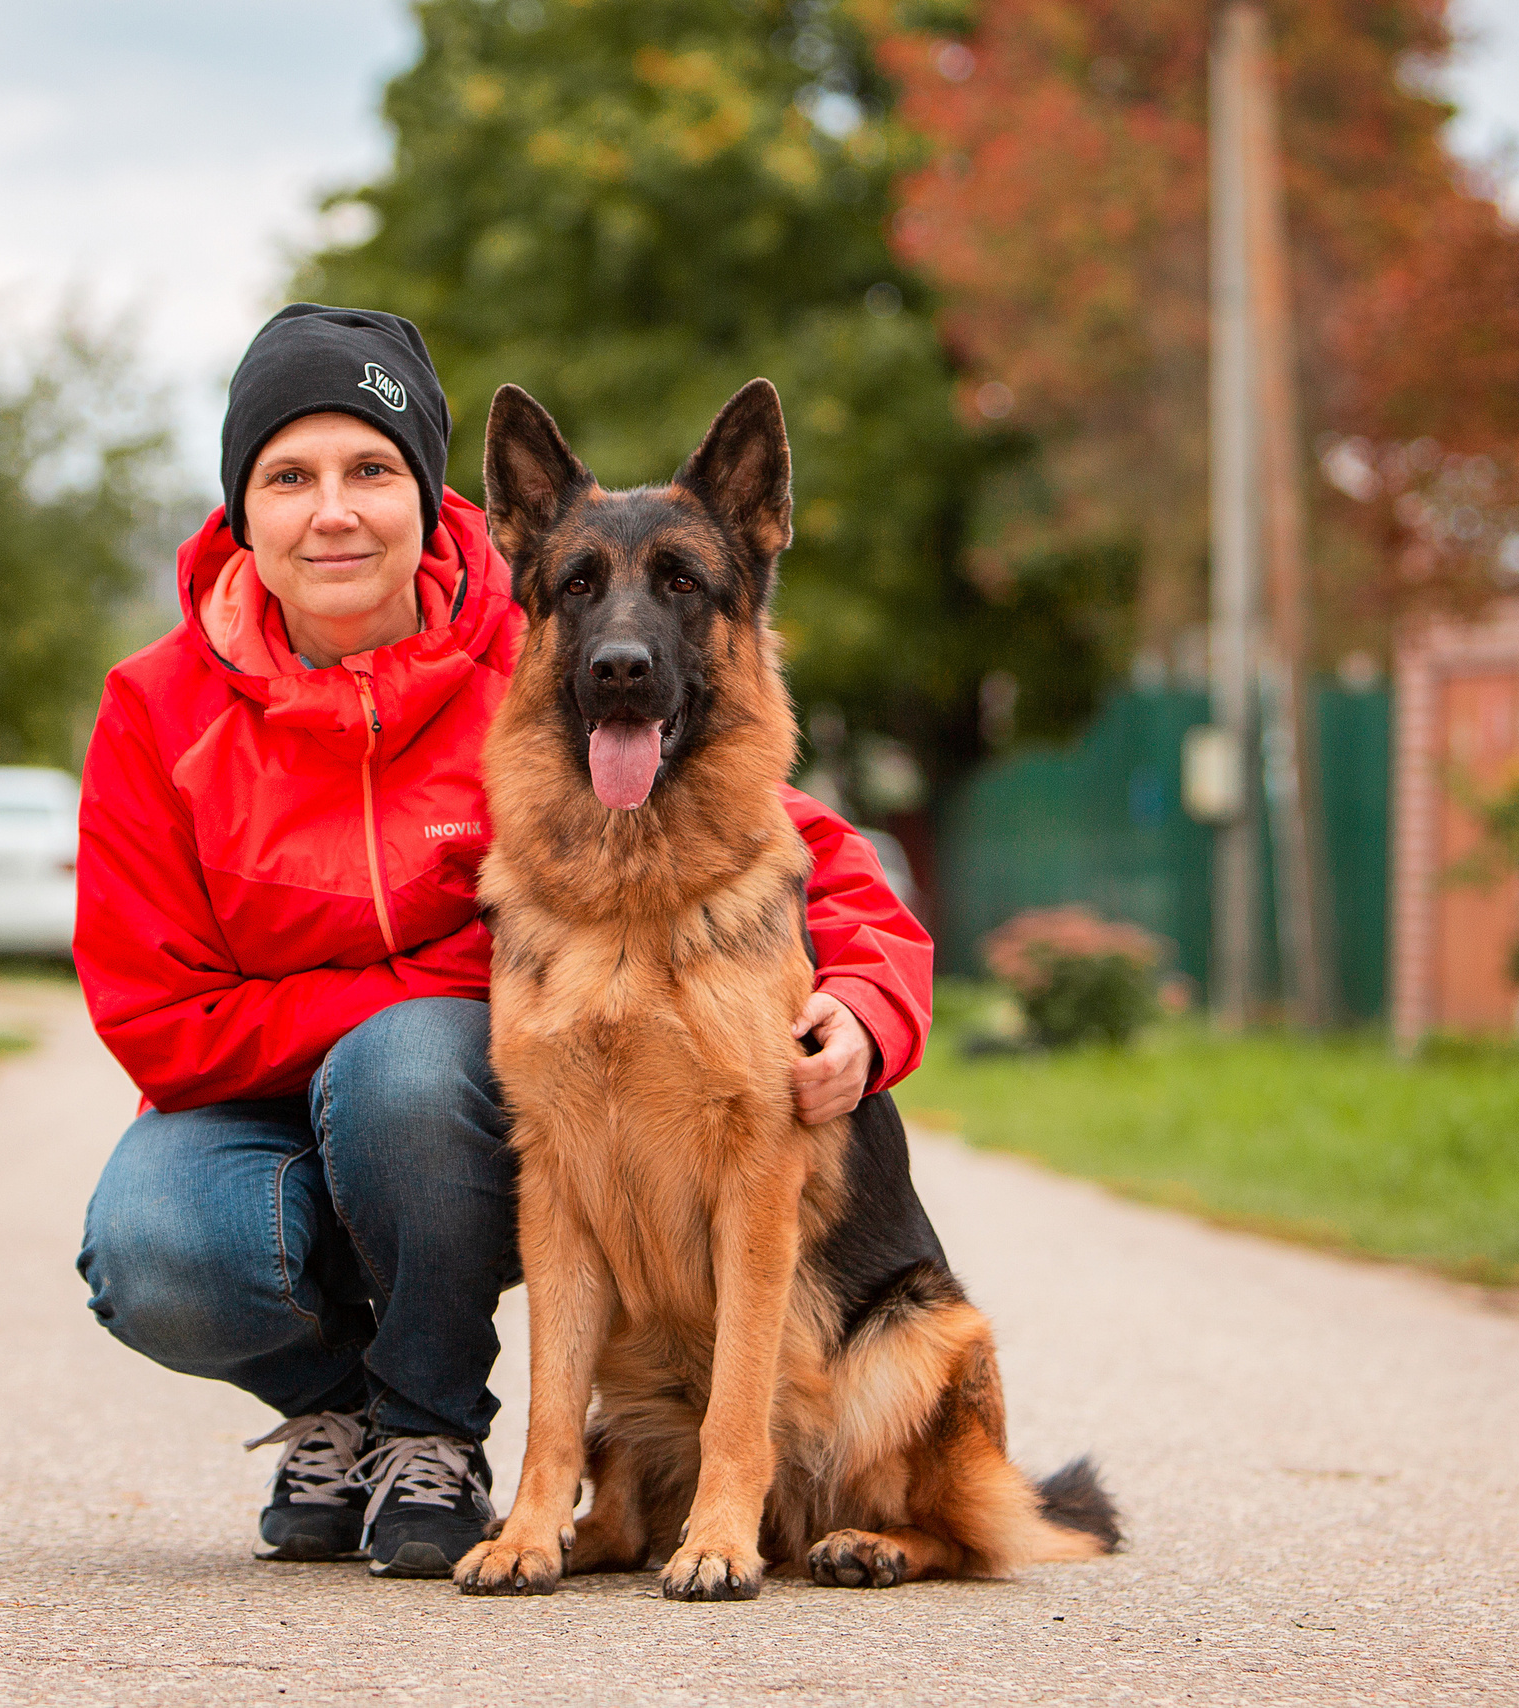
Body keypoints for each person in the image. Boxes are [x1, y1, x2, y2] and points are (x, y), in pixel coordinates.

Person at [73, 304, 933, 1579]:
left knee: (416, 1075)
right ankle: (345, 1410)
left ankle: (429, 1434)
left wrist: (867, 1004)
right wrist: (420, 994)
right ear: (240, 512)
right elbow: (150, 1016)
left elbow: (798, 848)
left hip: (425, 1112)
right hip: (250, 1099)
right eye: (290, 477)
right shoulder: (156, 709)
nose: (335, 511)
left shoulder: (524, 656)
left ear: (432, 504)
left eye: (372, 470)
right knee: (160, 1239)